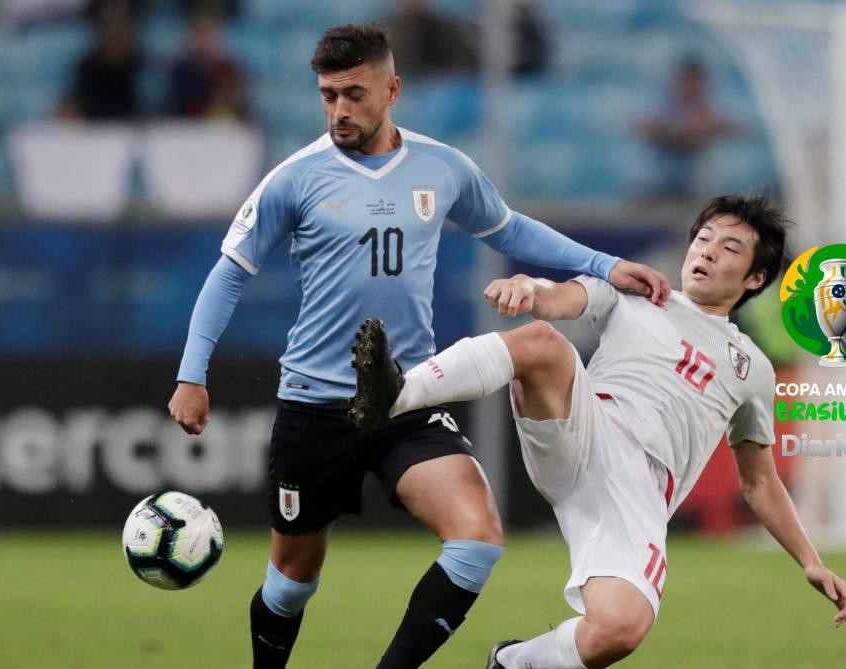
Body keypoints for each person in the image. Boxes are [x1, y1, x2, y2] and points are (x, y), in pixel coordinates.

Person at [166, 23, 670, 669]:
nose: (339, 110)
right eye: (327, 96)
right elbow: (230, 271)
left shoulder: (443, 167)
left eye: (353, 93)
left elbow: (510, 229)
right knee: (292, 581)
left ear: (392, 89)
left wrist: (603, 264)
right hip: (315, 406)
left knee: (479, 538)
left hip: (405, 396)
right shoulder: (295, 178)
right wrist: (191, 373)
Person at [349, 194, 846, 669]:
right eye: (703, 237)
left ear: (754, 277)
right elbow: (561, 297)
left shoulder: (755, 370)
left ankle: (514, 661)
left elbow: (759, 481)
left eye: (729, 248)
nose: (707, 251)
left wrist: (810, 561)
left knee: (621, 628)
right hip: (586, 427)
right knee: (544, 344)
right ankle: (395, 395)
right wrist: (529, 288)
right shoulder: (639, 293)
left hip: (639, 494)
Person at [635, 57, 740, 199]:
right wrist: (676, 133)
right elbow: (641, 127)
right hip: (659, 181)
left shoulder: (709, 107)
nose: (691, 88)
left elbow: (737, 128)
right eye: (687, 81)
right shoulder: (662, 104)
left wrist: (710, 127)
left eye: (696, 83)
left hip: (694, 184)